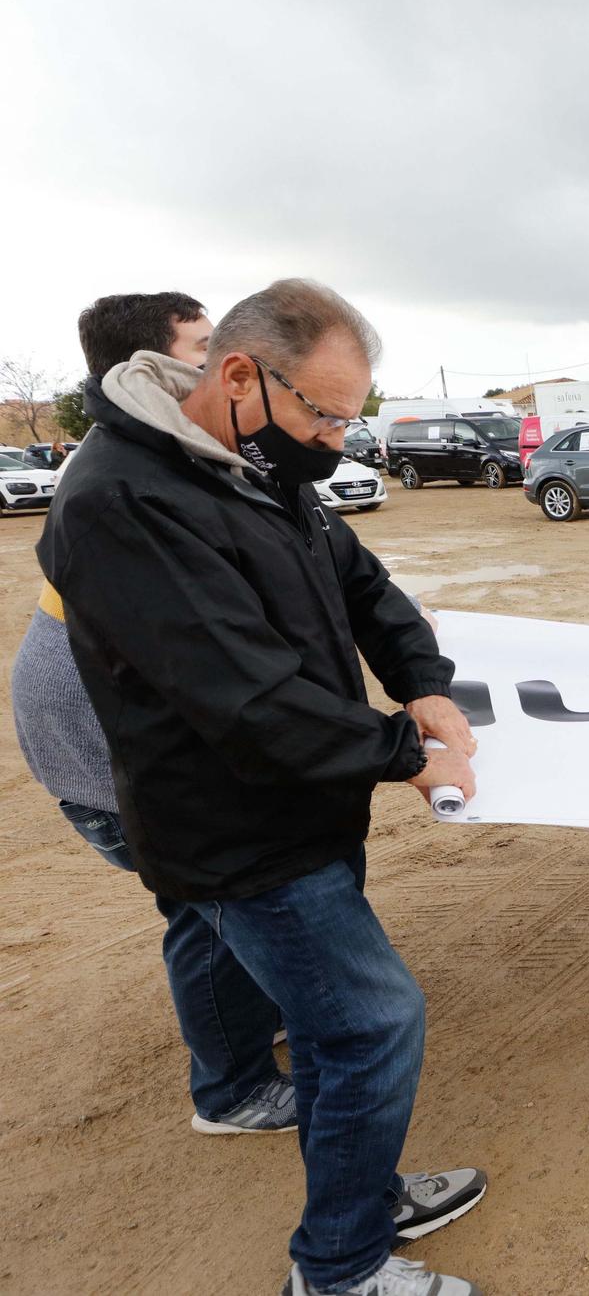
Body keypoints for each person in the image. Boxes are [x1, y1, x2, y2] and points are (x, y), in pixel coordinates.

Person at [39, 279, 488, 1296]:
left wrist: (420, 680)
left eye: (349, 417)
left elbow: (359, 583)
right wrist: (404, 755)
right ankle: (336, 1269)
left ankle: (360, 1198)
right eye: (322, 413)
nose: (334, 440)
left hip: (302, 808)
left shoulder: (251, 462)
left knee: (335, 1033)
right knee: (373, 1023)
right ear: (239, 374)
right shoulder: (122, 498)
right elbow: (243, 696)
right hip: (238, 832)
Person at [7, 291, 314, 1137]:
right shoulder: (122, 476)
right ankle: (232, 1089)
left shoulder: (174, 447)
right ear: (141, 369)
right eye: (202, 345)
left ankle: (250, 1014)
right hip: (96, 741)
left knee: (229, 904)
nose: (221, 362)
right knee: (209, 902)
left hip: (119, 720)